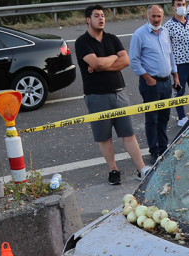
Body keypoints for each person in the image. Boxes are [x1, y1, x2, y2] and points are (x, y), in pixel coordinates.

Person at [76, 4, 147, 185]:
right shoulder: (82, 42)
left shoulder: (112, 38)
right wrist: (112, 58)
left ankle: (142, 169)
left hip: (119, 93)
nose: (101, 19)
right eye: (97, 16)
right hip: (96, 96)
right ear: (88, 19)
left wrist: (103, 64)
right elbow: (98, 64)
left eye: (103, 16)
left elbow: (125, 60)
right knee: (104, 137)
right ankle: (113, 170)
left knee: (128, 134)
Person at [130, 5, 181, 165]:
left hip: (166, 82)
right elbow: (134, 60)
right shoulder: (139, 35)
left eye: (159, 16)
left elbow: (170, 55)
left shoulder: (165, 32)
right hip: (150, 83)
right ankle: (154, 151)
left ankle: (164, 148)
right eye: (153, 16)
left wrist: (175, 75)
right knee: (152, 118)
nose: (157, 19)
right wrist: (147, 77)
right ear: (147, 16)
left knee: (164, 117)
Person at [165, 0, 189, 128]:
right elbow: (167, 48)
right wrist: (171, 66)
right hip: (179, 64)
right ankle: (181, 117)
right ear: (174, 8)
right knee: (179, 90)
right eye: (179, 5)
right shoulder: (169, 26)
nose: (182, 7)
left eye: (183, 4)